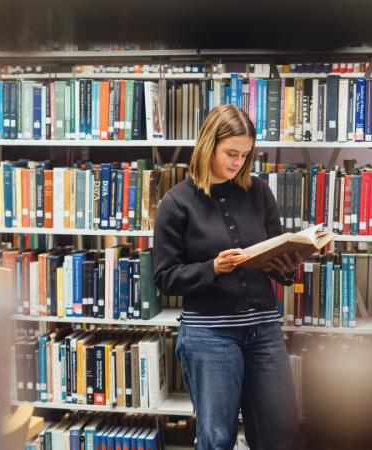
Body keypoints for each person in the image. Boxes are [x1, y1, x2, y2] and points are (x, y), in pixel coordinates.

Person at [153, 104, 302, 450]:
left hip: (264, 330)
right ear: (209, 146)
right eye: (231, 153)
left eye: (245, 155)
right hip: (210, 335)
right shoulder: (176, 203)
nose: (238, 163)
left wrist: (287, 264)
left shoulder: (259, 192)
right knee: (217, 439)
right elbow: (165, 277)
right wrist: (213, 268)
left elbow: (274, 254)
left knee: (280, 436)